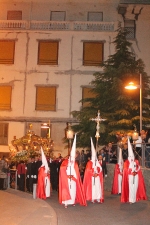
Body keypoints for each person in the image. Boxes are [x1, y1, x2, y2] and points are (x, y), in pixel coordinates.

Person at [59, 134, 86, 208]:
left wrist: (73, 176)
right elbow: (62, 169)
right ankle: (66, 203)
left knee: (73, 190)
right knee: (66, 190)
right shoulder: (65, 162)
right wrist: (67, 175)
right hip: (66, 179)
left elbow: (76, 172)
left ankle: (72, 201)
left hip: (73, 179)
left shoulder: (75, 164)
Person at [121, 138, 147, 204]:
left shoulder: (136, 161)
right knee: (131, 188)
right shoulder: (126, 162)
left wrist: (136, 169)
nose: (131, 157)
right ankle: (131, 199)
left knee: (135, 187)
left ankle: (135, 198)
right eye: (130, 156)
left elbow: (138, 168)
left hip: (136, 175)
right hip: (130, 176)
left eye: (132, 156)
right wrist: (131, 171)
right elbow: (125, 169)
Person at [83, 138, 104, 204]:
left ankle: (98, 198)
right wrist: (93, 172)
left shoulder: (97, 162)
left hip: (97, 176)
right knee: (93, 188)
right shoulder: (89, 162)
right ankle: (92, 198)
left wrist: (97, 171)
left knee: (98, 187)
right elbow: (88, 170)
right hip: (92, 177)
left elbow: (100, 169)